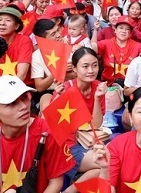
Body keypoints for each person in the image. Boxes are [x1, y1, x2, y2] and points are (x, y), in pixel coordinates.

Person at [45, 47, 107, 192]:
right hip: (65, 145)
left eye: (94, 65)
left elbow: (96, 124)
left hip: (86, 141)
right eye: (85, 66)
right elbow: (51, 125)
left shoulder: (98, 87)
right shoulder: (65, 89)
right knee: (104, 165)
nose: (91, 70)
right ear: (74, 68)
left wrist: (97, 98)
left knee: (109, 160)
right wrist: (58, 98)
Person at [0, 6, 33, 83]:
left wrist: (8, 89)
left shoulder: (24, 40)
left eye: (8, 20)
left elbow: (22, 74)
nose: (2, 23)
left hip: (20, 86)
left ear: (17, 26)